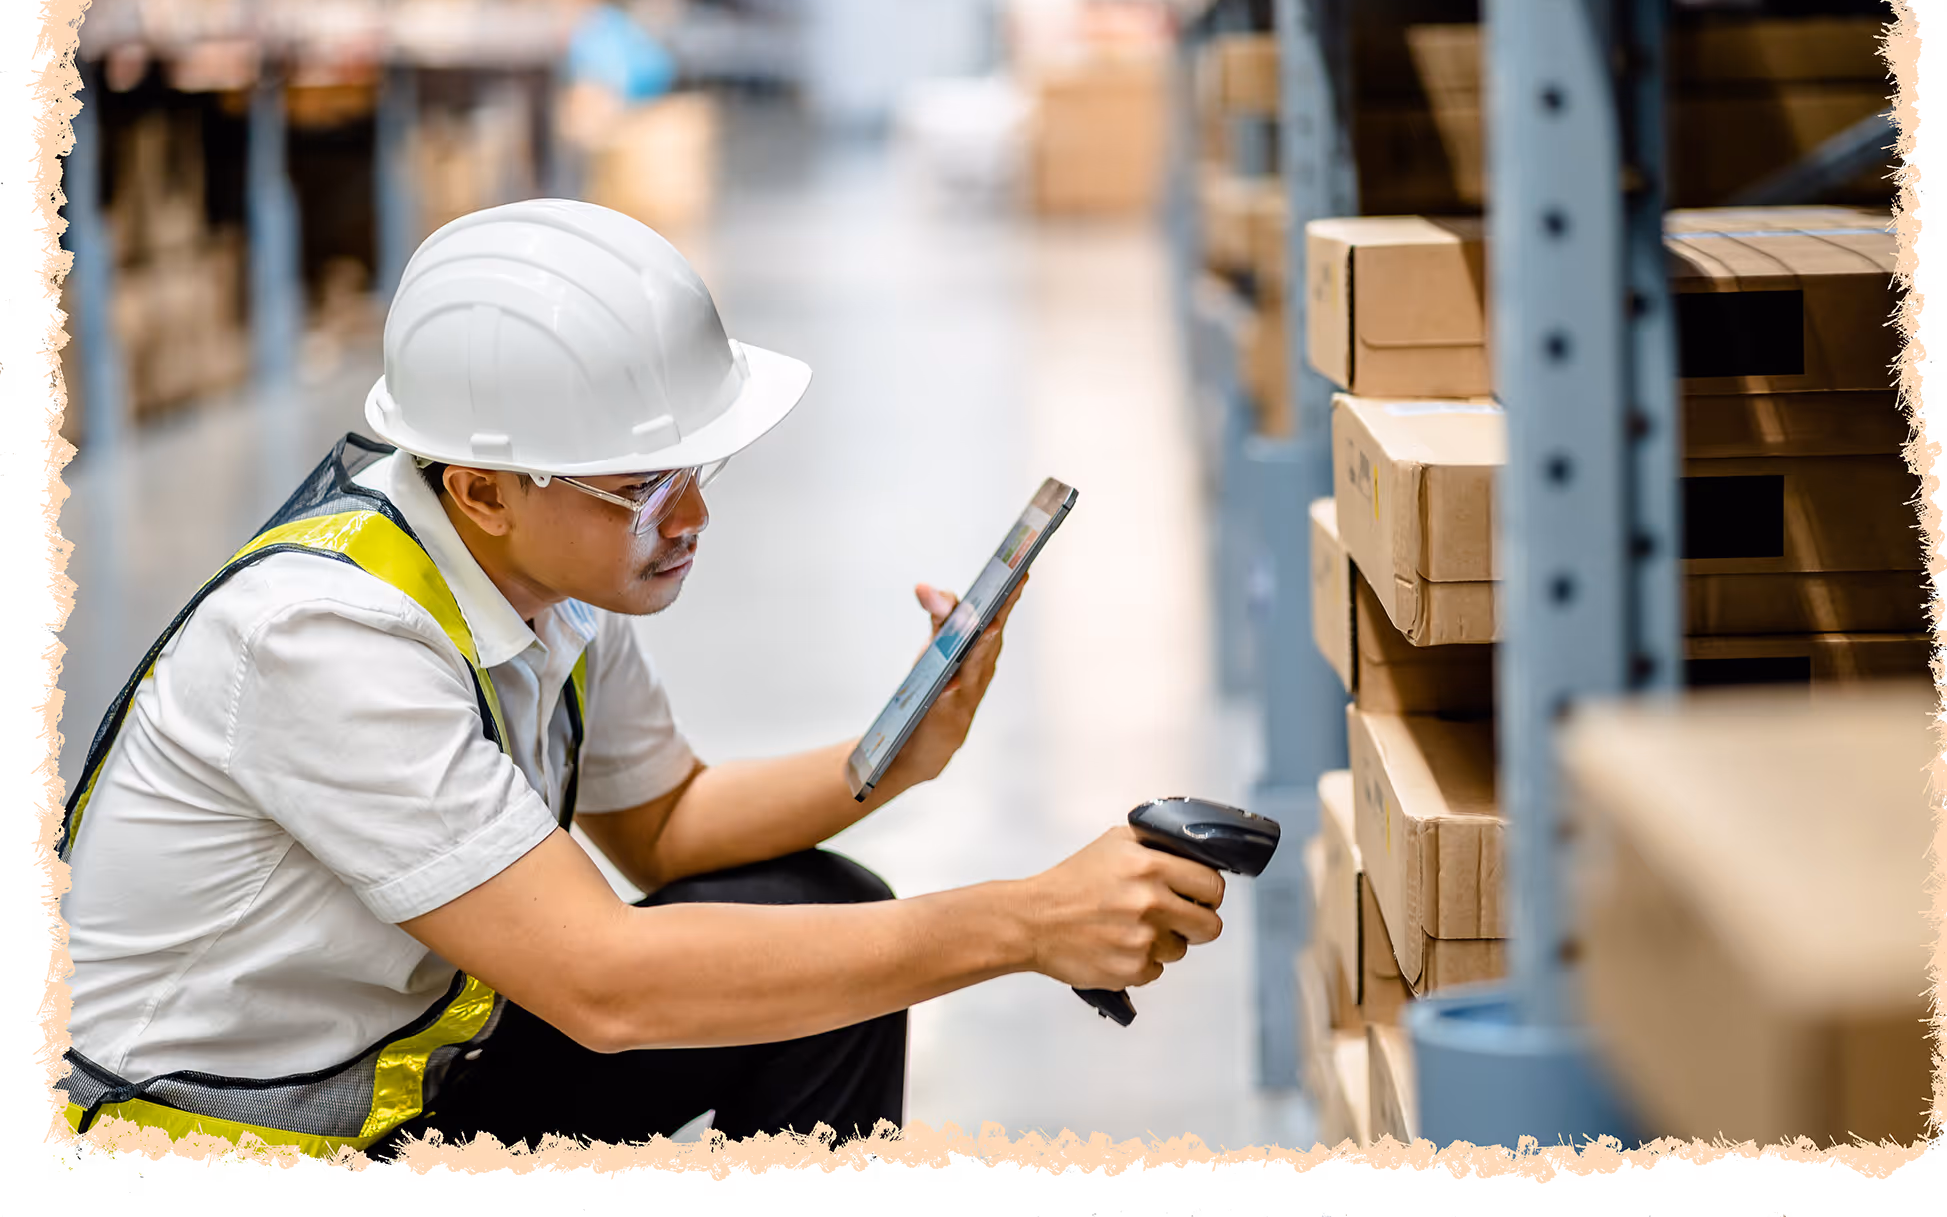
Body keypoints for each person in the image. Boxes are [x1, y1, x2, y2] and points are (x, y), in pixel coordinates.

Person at [56, 199, 1227, 1168]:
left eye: (696, 472)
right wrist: (1023, 923)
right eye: (646, 490)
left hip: (394, 1087)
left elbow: (664, 828)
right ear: (483, 489)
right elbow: (605, 989)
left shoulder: (534, 576)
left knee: (822, 906)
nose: (694, 520)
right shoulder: (323, 641)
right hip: (221, 1162)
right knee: (778, 962)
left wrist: (888, 761)